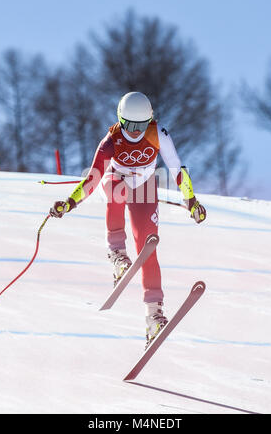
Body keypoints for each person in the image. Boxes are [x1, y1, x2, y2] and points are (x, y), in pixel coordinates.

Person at [50, 92, 206, 348]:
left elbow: (177, 168)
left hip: (144, 188)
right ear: (120, 120)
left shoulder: (159, 134)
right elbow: (93, 180)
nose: (134, 132)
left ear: (150, 120)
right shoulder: (110, 141)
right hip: (116, 181)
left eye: (140, 125)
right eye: (129, 125)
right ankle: (117, 254)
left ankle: (153, 316)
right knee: (115, 190)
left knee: (148, 247)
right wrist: (69, 203)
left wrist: (192, 201)